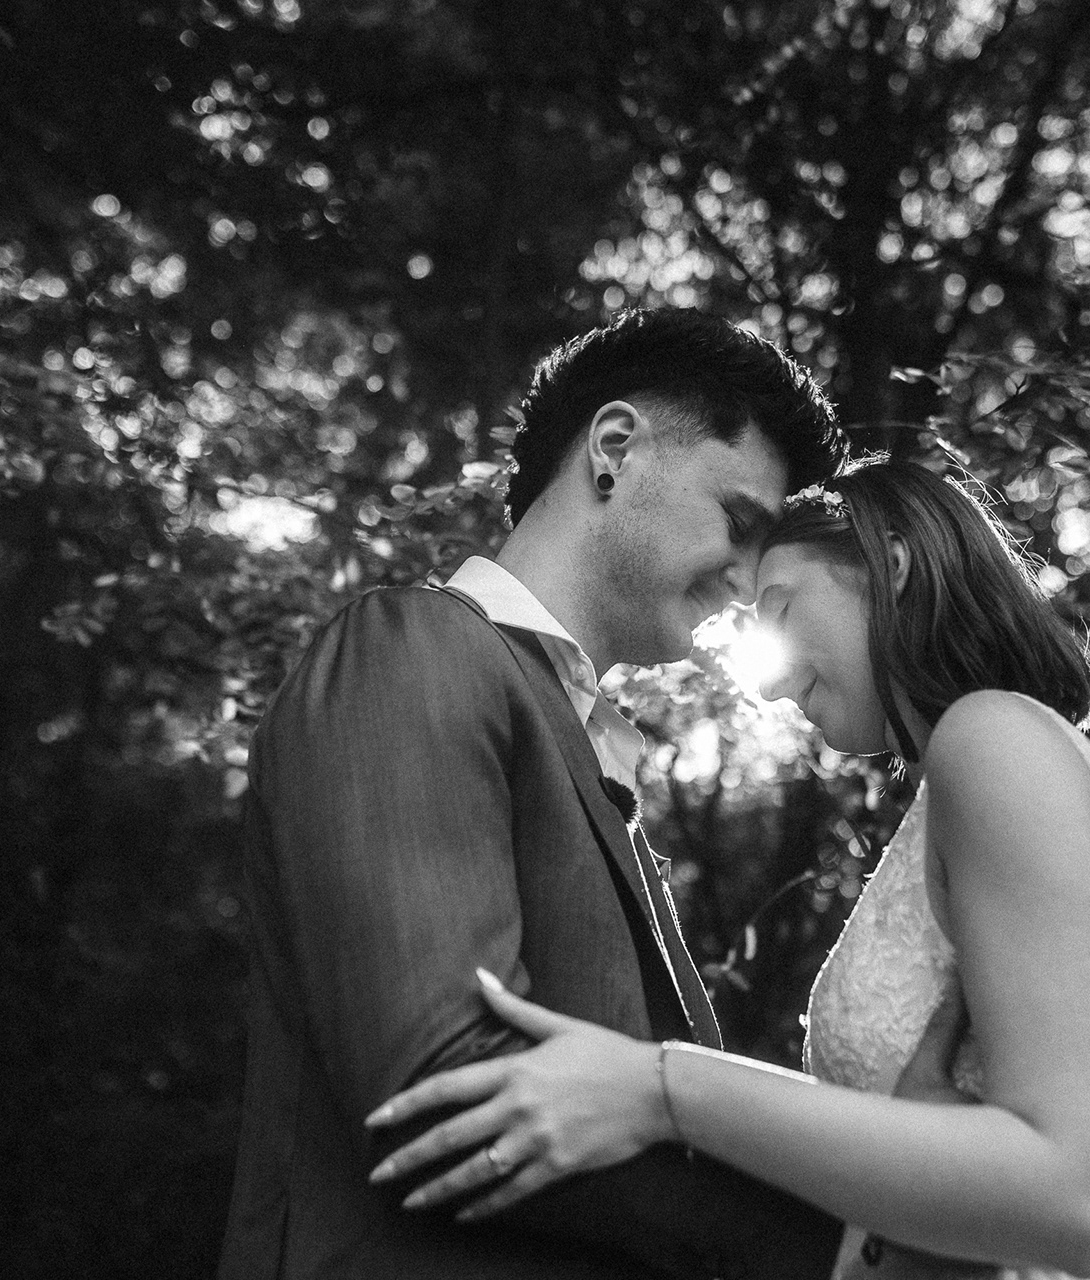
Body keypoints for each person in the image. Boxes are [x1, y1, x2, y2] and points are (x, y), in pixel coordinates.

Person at [365, 459, 1090, 1280]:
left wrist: (657, 1088)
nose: (775, 682)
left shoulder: (992, 738)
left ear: (891, 563)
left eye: (782, 609)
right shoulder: (991, 768)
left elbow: (1078, 1193)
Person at [216, 308, 852, 1279]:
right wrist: (851, 1252)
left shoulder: (595, 755)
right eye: (740, 523)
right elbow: (443, 1089)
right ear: (614, 449)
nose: (744, 581)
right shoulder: (413, 649)